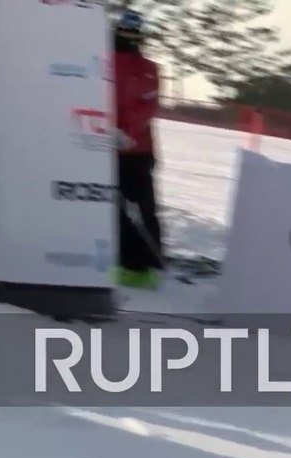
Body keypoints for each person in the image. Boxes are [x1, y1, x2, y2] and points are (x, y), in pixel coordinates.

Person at [112, 10, 164, 288]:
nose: (129, 37)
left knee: (143, 209)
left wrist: (127, 133)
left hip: (137, 150)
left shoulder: (148, 68)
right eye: (125, 31)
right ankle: (118, 262)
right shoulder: (101, 61)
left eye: (135, 33)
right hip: (102, 148)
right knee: (113, 210)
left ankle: (146, 267)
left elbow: (148, 105)